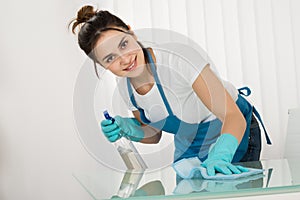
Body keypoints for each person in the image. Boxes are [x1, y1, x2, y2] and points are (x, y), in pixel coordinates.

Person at [69, 5, 271, 176]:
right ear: (102, 66)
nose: (125, 59)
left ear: (131, 33)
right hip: (189, 140)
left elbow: (232, 116)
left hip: (232, 127)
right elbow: (153, 135)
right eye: (110, 58)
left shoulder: (178, 59)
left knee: (227, 189)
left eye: (123, 44)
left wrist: (220, 154)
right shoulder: (125, 88)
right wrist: (127, 129)